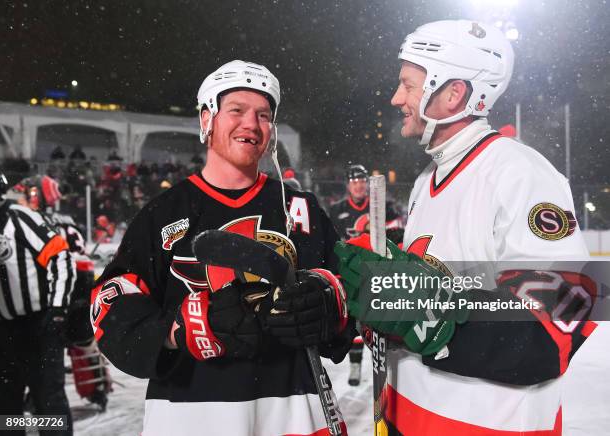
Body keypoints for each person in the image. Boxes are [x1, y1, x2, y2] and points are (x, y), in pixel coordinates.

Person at [335, 20, 596, 435]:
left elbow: (562, 321)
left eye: (408, 84)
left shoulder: (519, 172)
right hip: (412, 419)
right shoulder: (427, 179)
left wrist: (431, 313)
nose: (396, 97)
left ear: (453, 93)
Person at [91, 60, 355, 435]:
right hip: (191, 414)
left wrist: (330, 304)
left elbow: (351, 294)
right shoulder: (163, 214)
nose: (251, 123)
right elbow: (110, 305)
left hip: (294, 410)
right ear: (206, 119)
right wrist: (180, 327)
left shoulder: (301, 209)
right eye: (237, 110)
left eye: (263, 115)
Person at [12, 175, 112, 409]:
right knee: (83, 345)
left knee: (38, 357)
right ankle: (97, 387)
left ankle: (38, 397)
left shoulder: (31, 222)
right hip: (78, 295)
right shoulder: (64, 222)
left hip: (53, 299)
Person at [0, 171, 76, 435]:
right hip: (3, 332)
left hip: (38, 325)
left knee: (48, 402)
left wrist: (56, 310)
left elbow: (61, 258)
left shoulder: (20, 218)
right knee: (5, 409)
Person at [329, 164, 403, 386]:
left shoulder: (383, 207)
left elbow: (397, 236)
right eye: (354, 181)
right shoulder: (338, 209)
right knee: (354, 319)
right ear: (348, 185)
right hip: (352, 271)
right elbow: (333, 243)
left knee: (381, 321)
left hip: (378, 270)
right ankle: (355, 363)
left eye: (361, 181)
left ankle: (385, 366)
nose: (358, 185)